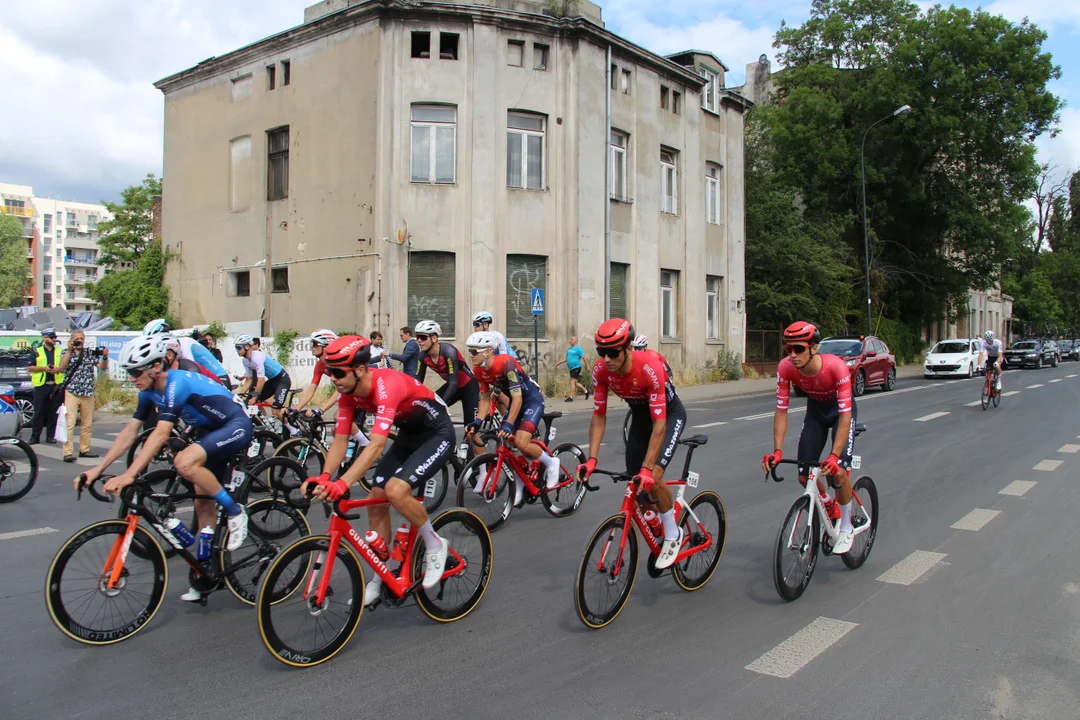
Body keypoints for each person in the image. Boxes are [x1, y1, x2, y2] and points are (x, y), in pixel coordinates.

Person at [75, 335, 251, 602]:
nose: (132, 378)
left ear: (156, 367)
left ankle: (236, 511)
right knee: (202, 502)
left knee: (184, 463)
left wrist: (129, 474)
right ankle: (206, 574)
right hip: (210, 429)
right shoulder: (148, 392)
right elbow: (130, 431)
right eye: (128, 372)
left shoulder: (175, 384)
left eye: (135, 371)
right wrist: (97, 469)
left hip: (235, 425)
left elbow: (159, 433)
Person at [303, 336, 454, 605]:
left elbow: (375, 446)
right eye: (329, 372)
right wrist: (325, 477)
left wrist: (343, 483)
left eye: (337, 373)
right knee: (377, 497)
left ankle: (435, 544)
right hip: (410, 435)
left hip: (437, 433)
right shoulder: (348, 394)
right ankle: (380, 577)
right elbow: (340, 440)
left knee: (396, 490)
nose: (332, 379)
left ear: (360, 370)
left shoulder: (386, 385)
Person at [577, 319, 686, 570]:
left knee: (653, 476)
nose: (606, 359)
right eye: (601, 352)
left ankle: (672, 534)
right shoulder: (601, 371)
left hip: (668, 416)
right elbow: (599, 416)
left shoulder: (649, 367)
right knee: (635, 483)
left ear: (628, 349)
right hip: (640, 416)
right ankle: (654, 518)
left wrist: (649, 468)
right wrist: (591, 459)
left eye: (613, 352)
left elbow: (660, 424)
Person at [762, 321, 858, 555]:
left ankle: (846, 526)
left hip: (841, 413)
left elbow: (846, 416)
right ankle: (826, 502)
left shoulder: (836, 368)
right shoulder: (785, 368)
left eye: (799, 349)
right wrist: (777, 451)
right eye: (788, 349)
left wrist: (835, 456)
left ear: (814, 348)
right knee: (804, 476)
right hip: (816, 412)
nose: (792, 355)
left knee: (839, 473)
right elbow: (781, 410)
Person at [465, 331, 560, 504]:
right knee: (508, 443)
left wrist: (508, 424)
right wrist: (478, 421)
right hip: (516, 402)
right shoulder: (479, 370)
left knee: (521, 442)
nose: (470, 355)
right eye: (470, 351)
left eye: (473, 351)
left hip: (530, 400)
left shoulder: (507, 364)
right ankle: (521, 480)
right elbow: (485, 398)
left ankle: (551, 462)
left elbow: (517, 398)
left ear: (487, 351)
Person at [415, 321, 480, 449]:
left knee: (470, 429)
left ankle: (474, 465)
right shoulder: (422, 356)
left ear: (434, 338)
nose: (419, 341)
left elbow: (453, 382)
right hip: (452, 386)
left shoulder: (448, 351)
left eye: (423, 337)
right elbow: (417, 383)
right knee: (427, 408)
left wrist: (442, 403)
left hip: (468, 386)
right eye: (417, 337)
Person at [57, 329, 109, 463]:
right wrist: (69, 350)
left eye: (81, 338)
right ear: (72, 340)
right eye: (77, 338)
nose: (80, 341)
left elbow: (102, 367)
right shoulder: (66, 352)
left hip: (88, 392)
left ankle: (84, 449)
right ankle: (68, 452)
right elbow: (62, 367)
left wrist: (105, 357)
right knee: (70, 423)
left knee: (87, 424)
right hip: (72, 391)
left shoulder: (88, 353)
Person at [144, 319, 230, 387]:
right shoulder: (172, 349)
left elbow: (191, 374)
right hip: (207, 380)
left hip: (220, 378)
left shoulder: (184, 344)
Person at [234, 334, 292, 420]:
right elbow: (249, 380)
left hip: (282, 380)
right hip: (273, 380)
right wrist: (240, 396)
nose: (237, 350)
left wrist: (254, 398)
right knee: (255, 401)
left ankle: (294, 431)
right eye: (236, 348)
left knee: (275, 411)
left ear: (246, 347)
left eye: (238, 348)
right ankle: (267, 423)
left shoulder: (257, 357)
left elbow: (261, 380)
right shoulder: (245, 360)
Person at [26, 328, 63, 445]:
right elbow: (30, 368)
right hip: (42, 385)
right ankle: (35, 437)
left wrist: (57, 370)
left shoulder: (59, 351)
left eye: (55, 337)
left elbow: (64, 366)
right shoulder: (37, 351)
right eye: (51, 337)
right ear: (44, 338)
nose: (54, 339)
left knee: (53, 412)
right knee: (39, 412)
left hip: (56, 385)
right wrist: (44, 368)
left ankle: (51, 436)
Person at [555, 336, 590, 402]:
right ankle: (586, 391)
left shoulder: (578, 349)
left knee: (571, 382)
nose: (570, 341)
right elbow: (566, 358)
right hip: (571, 369)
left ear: (576, 341)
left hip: (576, 367)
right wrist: (559, 362)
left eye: (571, 339)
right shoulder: (569, 349)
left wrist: (588, 366)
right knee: (575, 383)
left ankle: (571, 397)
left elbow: (584, 358)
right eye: (570, 339)